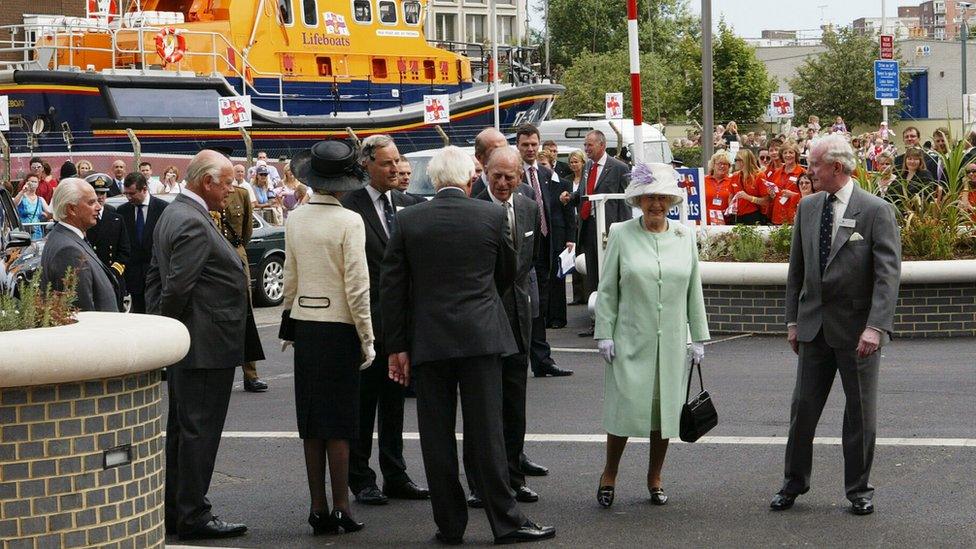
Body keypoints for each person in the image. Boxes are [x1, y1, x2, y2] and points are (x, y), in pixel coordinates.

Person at [380, 145, 556, 546]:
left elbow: (393, 287)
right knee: (488, 432)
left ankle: (450, 524)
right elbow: (508, 272)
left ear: (433, 180)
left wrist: (398, 345)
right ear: (469, 178)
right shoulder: (492, 216)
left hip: (429, 340)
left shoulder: (408, 221)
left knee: (436, 435)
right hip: (481, 336)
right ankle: (506, 521)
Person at [773, 134, 901, 516]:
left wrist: (876, 327)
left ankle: (859, 490)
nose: (807, 171)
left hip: (858, 333)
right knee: (802, 410)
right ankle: (793, 483)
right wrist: (793, 320)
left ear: (837, 168)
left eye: (813, 165)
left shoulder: (876, 210)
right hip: (813, 329)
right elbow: (796, 270)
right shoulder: (808, 207)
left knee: (860, 414)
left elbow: (887, 275)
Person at [594, 162, 709, 508]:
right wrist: (604, 332)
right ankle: (609, 473)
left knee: (665, 414)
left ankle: (654, 477)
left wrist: (698, 336)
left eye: (661, 197)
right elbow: (608, 288)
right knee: (624, 411)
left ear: (671, 201)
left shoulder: (683, 235)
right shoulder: (621, 232)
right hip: (630, 338)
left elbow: (693, 288)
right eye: (648, 197)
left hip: (671, 341)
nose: (655, 204)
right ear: (638, 200)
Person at [147, 150, 249, 540]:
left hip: (195, 342)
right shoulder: (190, 220)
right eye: (226, 183)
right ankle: (193, 513)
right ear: (206, 182)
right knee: (198, 433)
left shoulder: (176, 214)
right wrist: (169, 331)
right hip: (203, 344)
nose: (231, 190)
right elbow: (176, 288)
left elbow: (160, 281)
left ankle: (178, 509)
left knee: (185, 430)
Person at [282, 140, 375, 536]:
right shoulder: (350, 221)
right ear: (342, 183)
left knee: (312, 421)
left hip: (306, 324)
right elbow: (357, 286)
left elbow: (290, 276)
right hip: (340, 328)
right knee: (340, 421)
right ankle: (341, 507)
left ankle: (317, 506)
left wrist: (289, 320)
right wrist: (367, 337)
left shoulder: (295, 218)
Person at [339, 135, 428, 506]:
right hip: (365, 324)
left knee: (394, 402)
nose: (395, 169)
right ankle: (361, 478)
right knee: (363, 403)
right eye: (387, 164)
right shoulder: (350, 207)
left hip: (401, 324)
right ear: (367, 165)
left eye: (398, 162)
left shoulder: (407, 204)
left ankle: (395, 472)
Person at [465, 146, 542, 509]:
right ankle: (480, 483)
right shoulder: (471, 203)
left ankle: (514, 477)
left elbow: (529, 264)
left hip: (518, 318)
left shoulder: (528, 206)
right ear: (485, 171)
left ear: (520, 176)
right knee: (481, 407)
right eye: (496, 175)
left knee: (514, 404)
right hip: (480, 320)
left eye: (510, 176)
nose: (502, 182)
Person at [567, 130, 632, 337]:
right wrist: (571, 197)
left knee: (610, 273)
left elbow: (627, 199)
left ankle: (615, 320)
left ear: (602, 145)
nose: (586, 149)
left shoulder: (619, 168)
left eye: (589, 145)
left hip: (609, 229)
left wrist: (624, 228)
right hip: (588, 227)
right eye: (585, 145)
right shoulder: (587, 166)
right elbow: (586, 194)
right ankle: (597, 321)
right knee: (593, 275)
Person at [218, 178, 269, 393]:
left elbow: (246, 230)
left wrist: (236, 251)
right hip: (213, 258)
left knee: (245, 314)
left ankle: (251, 374)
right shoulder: (205, 194)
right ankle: (220, 373)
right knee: (218, 317)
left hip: (237, 256)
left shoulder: (240, 194)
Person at [40, 178, 121, 312]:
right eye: (91, 202)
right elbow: (82, 312)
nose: (99, 207)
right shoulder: (68, 251)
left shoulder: (68, 238)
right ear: (71, 209)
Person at [116, 172, 168, 313]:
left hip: (157, 276)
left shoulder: (163, 209)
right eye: (126, 194)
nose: (128, 197)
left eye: (132, 193)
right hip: (134, 278)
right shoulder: (122, 211)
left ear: (144, 189)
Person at [84, 173, 130, 309]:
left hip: (113, 277)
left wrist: (113, 272)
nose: (100, 197)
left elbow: (125, 251)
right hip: (92, 277)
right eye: (97, 193)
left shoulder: (116, 219)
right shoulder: (84, 219)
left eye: (103, 193)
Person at [566, 149, 587, 304]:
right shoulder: (566, 180)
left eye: (576, 161)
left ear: (582, 162)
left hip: (583, 220)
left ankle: (587, 293)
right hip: (571, 221)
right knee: (573, 258)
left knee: (584, 258)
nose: (574, 165)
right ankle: (577, 295)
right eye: (571, 162)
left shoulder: (586, 179)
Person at [769, 141, 806, 225]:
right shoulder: (777, 172)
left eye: (791, 152)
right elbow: (774, 193)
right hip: (777, 216)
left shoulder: (803, 173)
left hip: (794, 217)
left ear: (796, 154)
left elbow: (809, 196)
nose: (787, 155)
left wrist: (793, 195)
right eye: (785, 153)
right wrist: (772, 193)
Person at [730, 149, 770, 225]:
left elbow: (766, 201)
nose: (734, 162)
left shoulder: (759, 176)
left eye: (736, 160)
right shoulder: (735, 176)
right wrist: (731, 207)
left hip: (753, 216)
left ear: (743, 161)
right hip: (737, 216)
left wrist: (749, 197)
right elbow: (731, 196)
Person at [13, 174, 52, 239]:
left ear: (38, 184)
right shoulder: (22, 196)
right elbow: (14, 204)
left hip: (37, 233)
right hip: (23, 233)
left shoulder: (40, 199)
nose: (33, 183)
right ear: (26, 182)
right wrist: (22, 191)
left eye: (35, 182)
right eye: (31, 181)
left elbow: (50, 212)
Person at [703, 151, 735, 226]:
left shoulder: (732, 182)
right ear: (713, 165)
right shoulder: (703, 180)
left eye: (725, 164)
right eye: (719, 163)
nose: (722, 166)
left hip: (725, 224)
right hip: (704, 223)